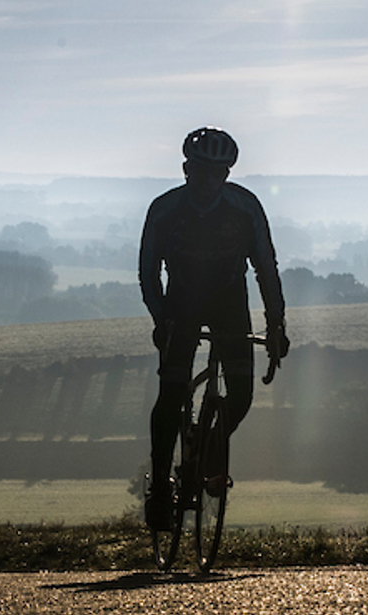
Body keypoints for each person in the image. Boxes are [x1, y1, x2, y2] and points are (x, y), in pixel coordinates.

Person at [138, 126, 289, 531]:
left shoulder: (246, 207)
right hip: (181, 303)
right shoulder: (164, 209)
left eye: (218, 173)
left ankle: (209, 450)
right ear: (187, 169)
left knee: (240, 394)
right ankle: (160, 491)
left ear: (227, 174)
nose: (209, 181)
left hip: (228, 301)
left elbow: (266, 268)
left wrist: (276, 324)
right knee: (171, 393)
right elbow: (148, 271)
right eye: (202, 171)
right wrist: (161, 320)